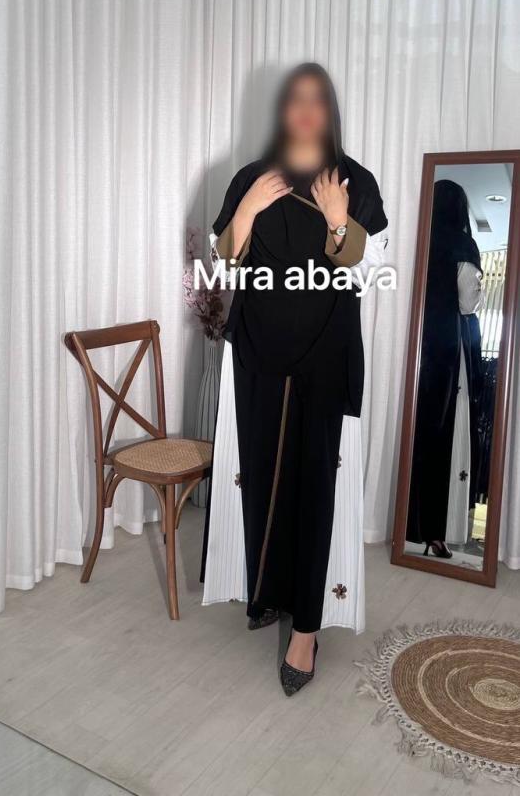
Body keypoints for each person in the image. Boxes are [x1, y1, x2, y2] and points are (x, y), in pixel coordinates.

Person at [201, 63, 388, 695]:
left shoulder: (354, 181)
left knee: (313, 489)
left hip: (324, 356)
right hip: (257, 351)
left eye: (317, 100)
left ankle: (306, 629)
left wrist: (338, 217)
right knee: (261, 476)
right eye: (295, 100)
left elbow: (372, 269)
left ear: (329, 111)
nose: (306, 111)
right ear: (284, 110)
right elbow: (224, 260)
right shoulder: (253, 177)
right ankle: (265, 593)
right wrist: (249, 209)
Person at [406, 179, 483, 558]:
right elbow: (468, 303)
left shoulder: (414, 237)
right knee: (441, 437)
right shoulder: (462, 244)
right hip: (445, 349)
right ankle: (435, 530)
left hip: (410, 346)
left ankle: (403, 522)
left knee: (410, 432)